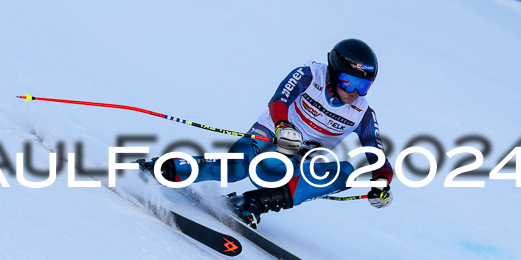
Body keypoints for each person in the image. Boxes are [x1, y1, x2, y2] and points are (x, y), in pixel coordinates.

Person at [141, 39, 393, 228]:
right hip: (268, 139)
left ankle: (252, 203)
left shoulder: (362, 113)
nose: (355, 93)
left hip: (293, 166)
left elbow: (377, 154)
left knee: (346, 173)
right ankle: (167, 169)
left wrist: (382, 182)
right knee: (236, 168)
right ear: (333, 72)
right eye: (350, 83)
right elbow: (278, 101)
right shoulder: (309, 75)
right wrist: (283, 126)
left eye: (364, 86)